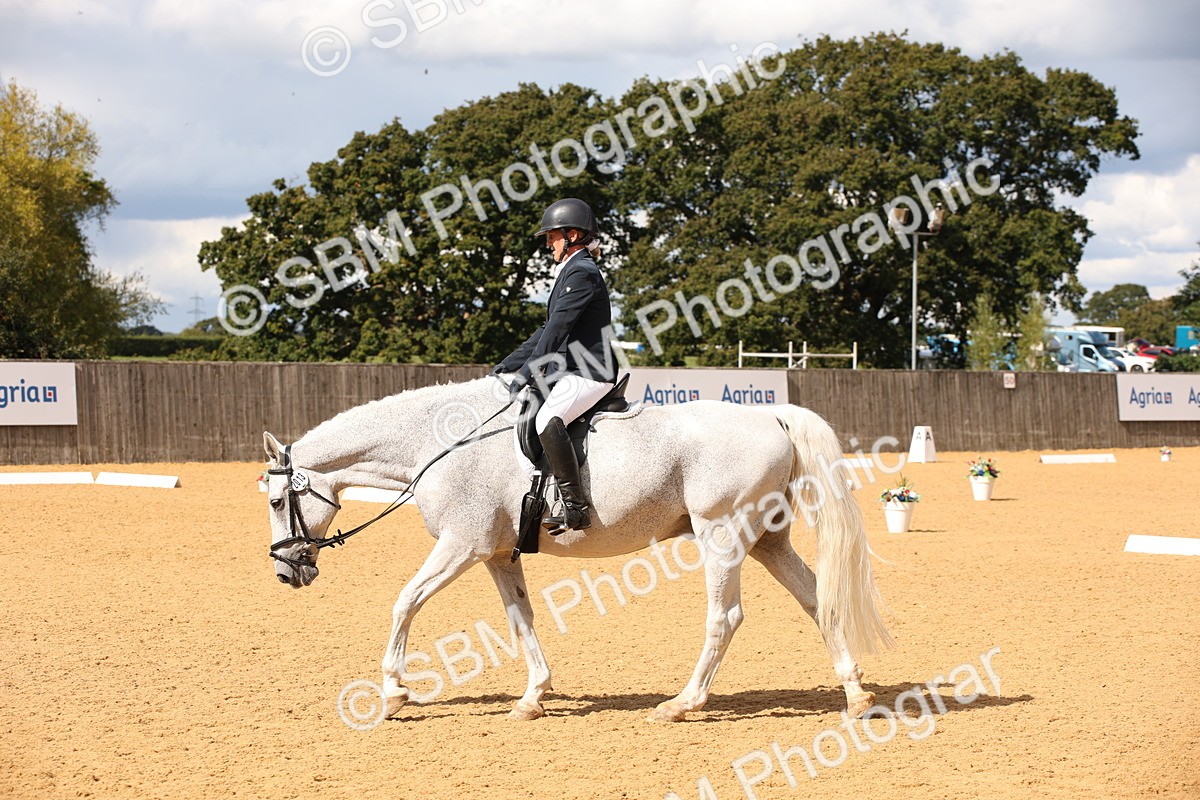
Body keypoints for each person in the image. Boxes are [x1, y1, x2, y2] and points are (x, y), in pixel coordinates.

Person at [492, 198, 616, 532]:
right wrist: (509, 364)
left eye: (553, 236)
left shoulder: (583, 273)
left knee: (548, 418)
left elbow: (558, 329)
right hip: (573, 370)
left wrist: (529, 372)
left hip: (592, 371)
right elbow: (546, 330)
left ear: (573, 234)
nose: (548, 244)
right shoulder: (571, 272)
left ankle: (576, 507)